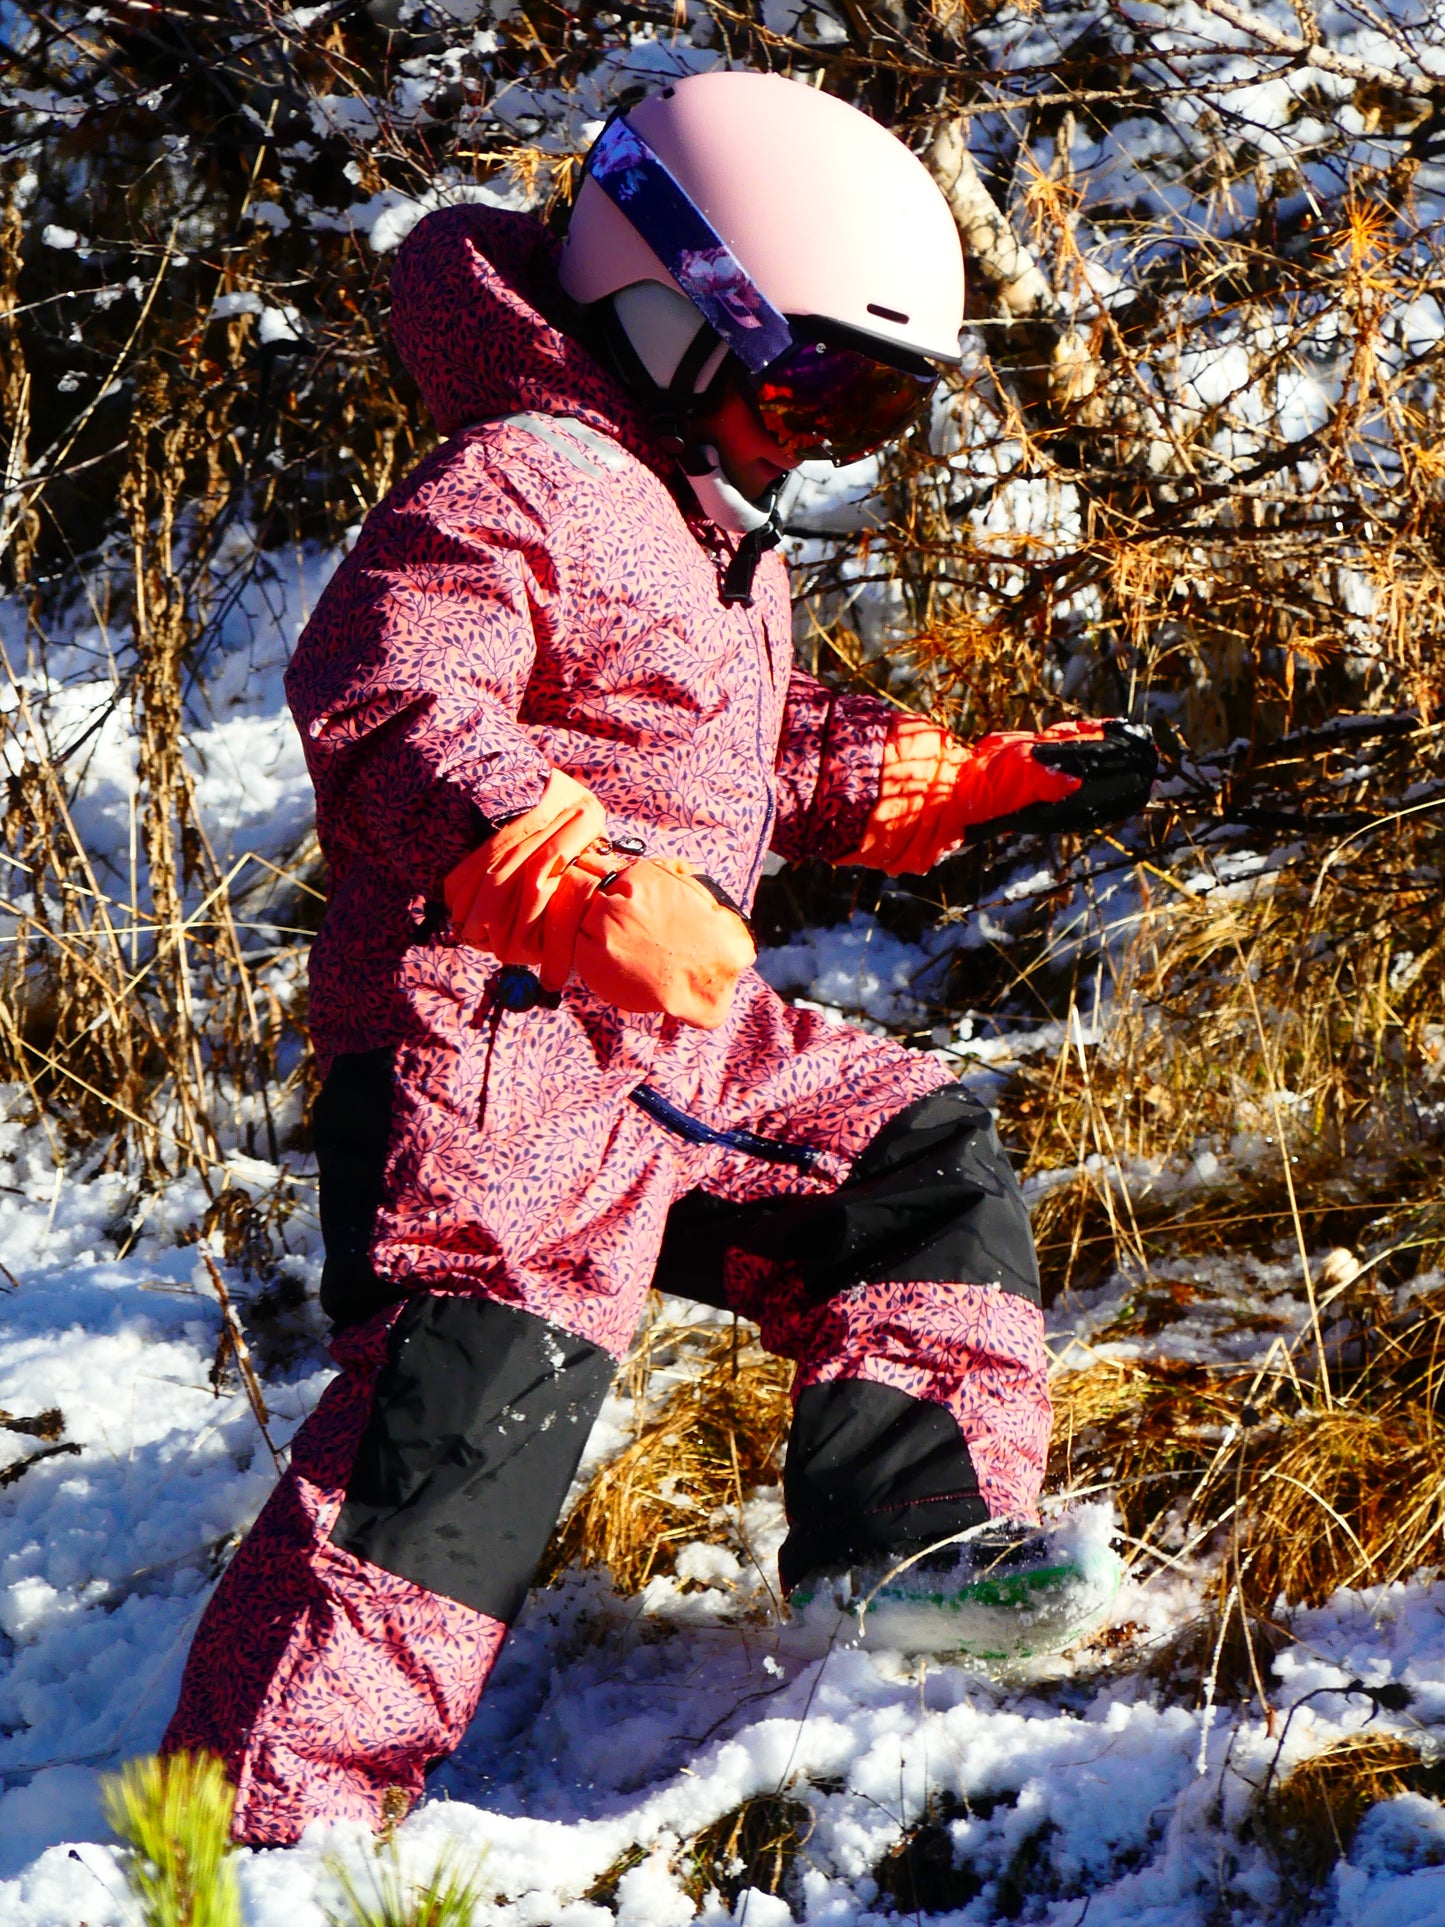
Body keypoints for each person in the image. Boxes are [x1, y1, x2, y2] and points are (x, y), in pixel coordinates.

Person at [161, 70, 1156, 1844]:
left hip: (665, 1048)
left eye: (874, 414)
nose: (819, 443)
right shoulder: (518, 479)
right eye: (807, 386)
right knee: (450, 1460)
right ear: (655, 296)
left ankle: (913, 1545)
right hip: (493, 1060)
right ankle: (249, 1835)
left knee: (911, 1151)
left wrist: (950, 777)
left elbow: (731, 748)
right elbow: (385, 694)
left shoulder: (694, 525)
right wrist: (552, 861)